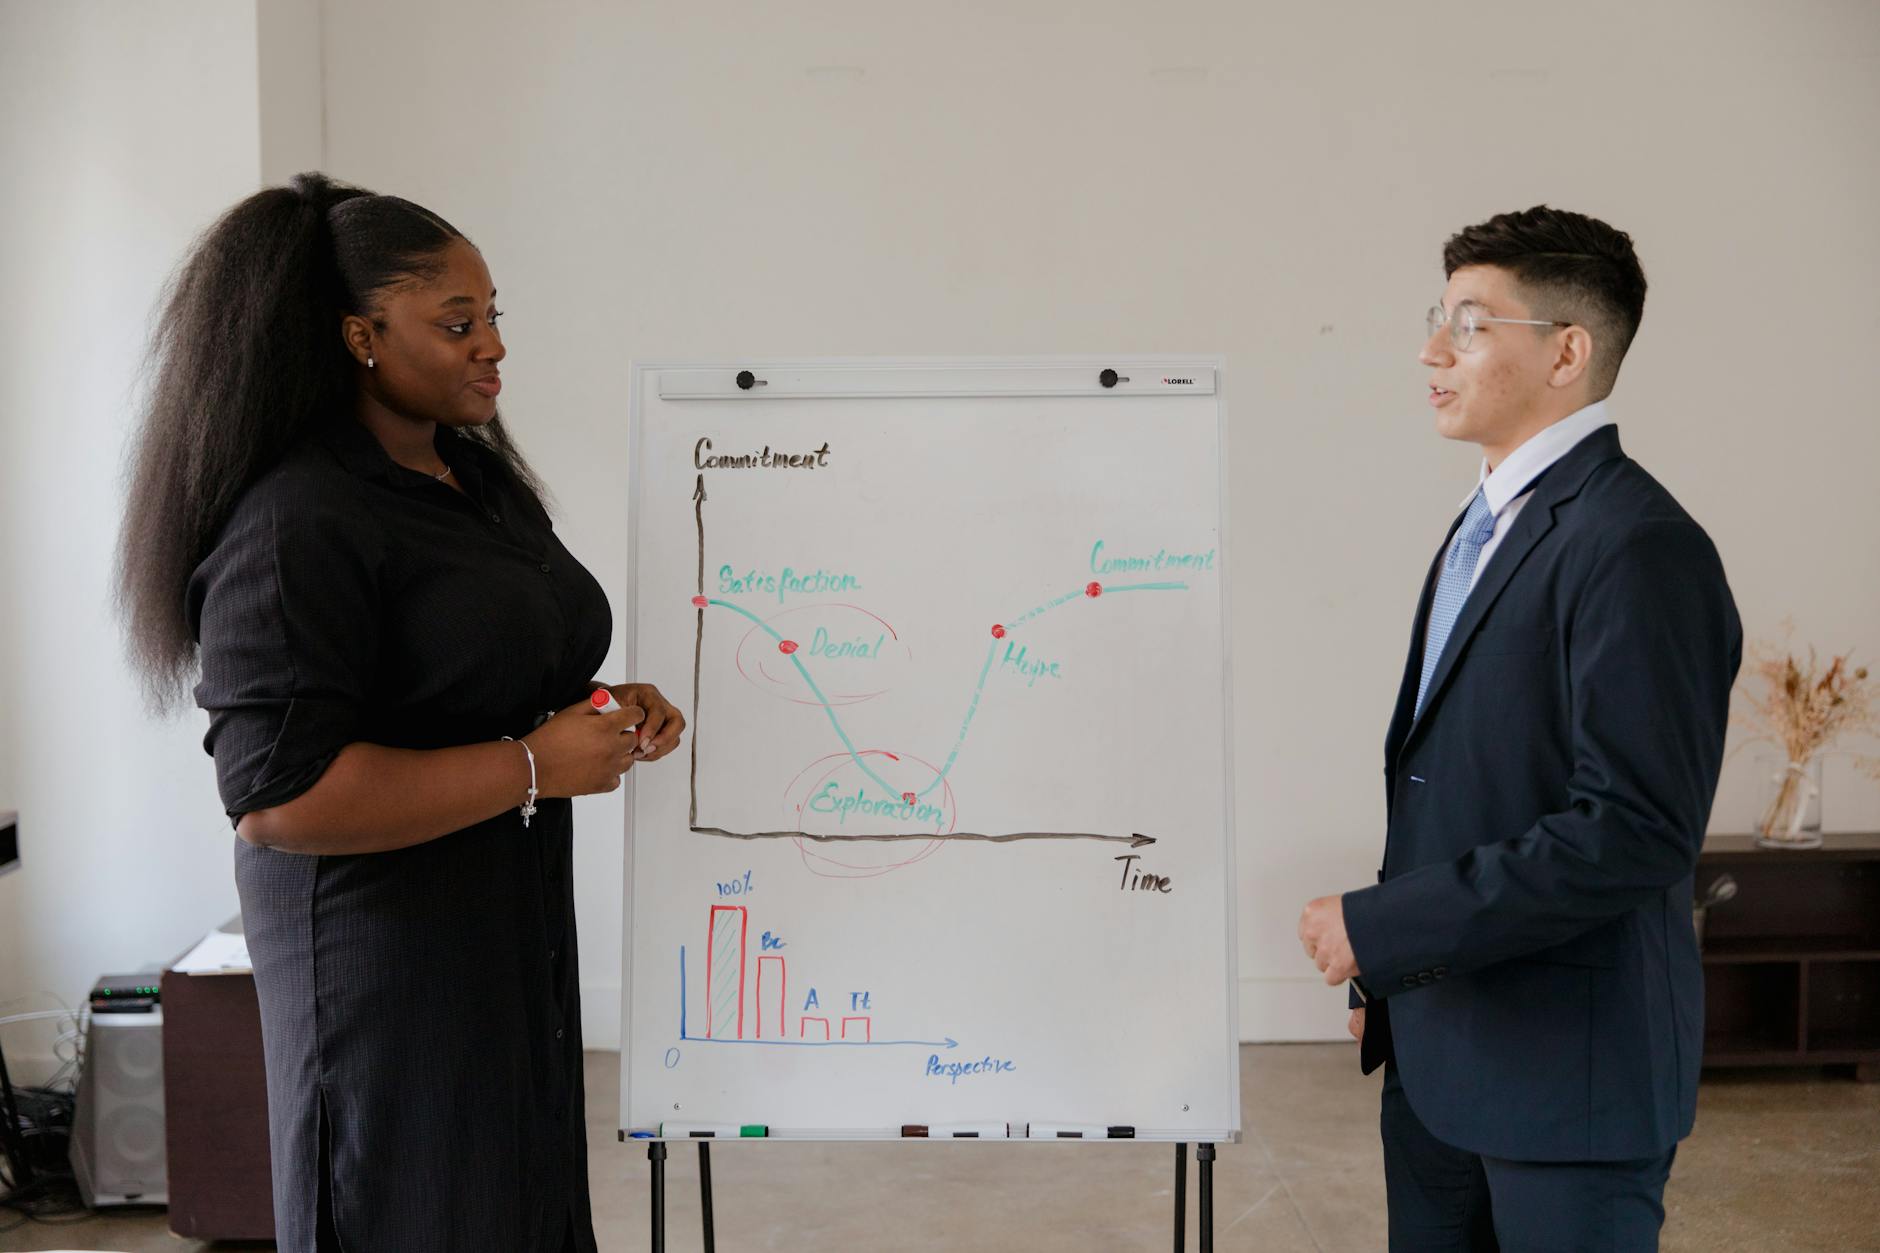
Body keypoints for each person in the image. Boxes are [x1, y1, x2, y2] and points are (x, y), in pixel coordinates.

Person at [116, 172, 682, 1252]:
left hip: (505, 943)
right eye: (456, 322)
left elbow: (475, 671)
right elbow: (278, 796)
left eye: (493, 316)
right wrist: (532, 764)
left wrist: (601, 707)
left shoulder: (475, 480)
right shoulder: (294, 523)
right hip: (384, 973)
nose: (492, 347)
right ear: (357, 336)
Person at [1295, 205, 1741, 1250]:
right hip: (1439, 1054)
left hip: (1564, 1085)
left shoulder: (1636, 544)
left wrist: (1384, 923)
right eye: (1435, 317)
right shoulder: (1485, 520)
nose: (1430, 349)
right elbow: (1461, 782)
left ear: (1566, 350)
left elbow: (1629, 829)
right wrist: (1393, 976)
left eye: (1469, 321)